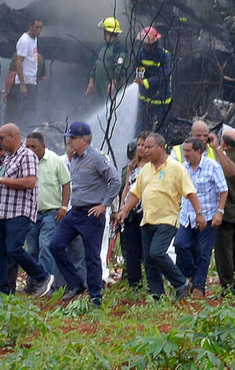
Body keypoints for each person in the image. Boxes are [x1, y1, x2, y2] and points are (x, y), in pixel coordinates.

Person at [114, 133, 203, 300]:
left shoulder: (176, 168)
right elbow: (135, 193)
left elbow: (190, 192)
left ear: (161, 147)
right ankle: (157, 295)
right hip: (147, 219)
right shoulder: (146, 169)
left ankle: (181, 283)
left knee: (157, 252)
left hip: (167, 219)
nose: (145, 151)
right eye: (144, 147)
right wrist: (124, 211)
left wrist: (199, 214)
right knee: (148, 261)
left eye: (149, 147)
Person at [49, 122, 121, 306]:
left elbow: (115, 181)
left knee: (91, 256)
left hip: (92, 213)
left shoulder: (97, 158)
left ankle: (95, 297)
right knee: (55, 245)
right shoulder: (74, 158)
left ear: (83, 140)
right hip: (75, 211)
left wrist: (104, 205)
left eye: (72, 138)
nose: (69, 141)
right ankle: (76, 283)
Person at [0, 124, 55, 296]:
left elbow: (30, 182)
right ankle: (3, 292)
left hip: (19, 212)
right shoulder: (8, 157)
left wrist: (0, 179)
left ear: (13, 137)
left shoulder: (27, 156)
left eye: (2, 138)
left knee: (14, 248)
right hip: (1, 212)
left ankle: (42, 275)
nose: (0, 142)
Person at [174, 137, 228, 298]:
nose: (185, 154)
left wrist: (220, 212)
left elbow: (223, 190)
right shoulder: (183, 168)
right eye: (184, 151)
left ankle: (199, 287)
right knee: (180, 245)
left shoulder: (212, 167)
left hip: (209, 216)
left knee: (204, 253)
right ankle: (191, 275)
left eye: (188, 151)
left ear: (199, 151)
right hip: (187, 217)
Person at [22, 131, 71, 292]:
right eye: (27, 146)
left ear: (43, 146)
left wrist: (64, 207)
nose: (30, 150)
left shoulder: (55, 161)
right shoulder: (23, 161)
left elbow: (66, 184)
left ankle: (47, 285)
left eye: (34, 147)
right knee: (32, 249)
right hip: (30, 213)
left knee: (45, 246)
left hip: (51, 212)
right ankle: (33, 283)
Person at [119, 134, 150, 289]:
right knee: (131, 249)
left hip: (148, 212)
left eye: (144, 145)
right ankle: (134, 284)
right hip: (131, 212)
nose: (141, 148)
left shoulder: (154, 166)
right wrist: (122, 209)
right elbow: (126, 188)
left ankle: (152, 283)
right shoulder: (132, 166)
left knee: (148, 250)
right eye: (138, 145)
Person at [4, 18, 43, 128]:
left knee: (30, 109)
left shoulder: (34, 39)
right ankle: (22, 132)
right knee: (23, 110)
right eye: (36, 27)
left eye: (41, 28)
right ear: (30, 26)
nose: (39, 30)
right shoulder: (25, 41)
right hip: (25, 82)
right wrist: (22, 84)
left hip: (31, 81)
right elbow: (19, 63)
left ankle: (27, 131)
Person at [134, 26, 171, 133]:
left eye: (146, 44)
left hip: (162, 99)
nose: (144, 45)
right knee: (140, 128)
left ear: (153, 44)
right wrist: (138, 79)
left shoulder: (164, 55)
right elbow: (138, 68)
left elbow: (163, 75)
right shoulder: (140, 54)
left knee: (161, 130)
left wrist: (146, 82)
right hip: (144, 98)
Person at [85, 17, 128, 102]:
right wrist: (91, 80)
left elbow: (120, 67)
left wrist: (113, 82)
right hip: (99, 91)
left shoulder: (119, 48)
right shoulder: (105, 47)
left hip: (110, 91)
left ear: (107, 32)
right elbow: (97, 63)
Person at [216, 129, 235, 294]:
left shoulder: (222, 159)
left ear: (223, 143)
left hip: (226, 213)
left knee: (224, 252)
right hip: (228, 212)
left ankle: (228, 287)